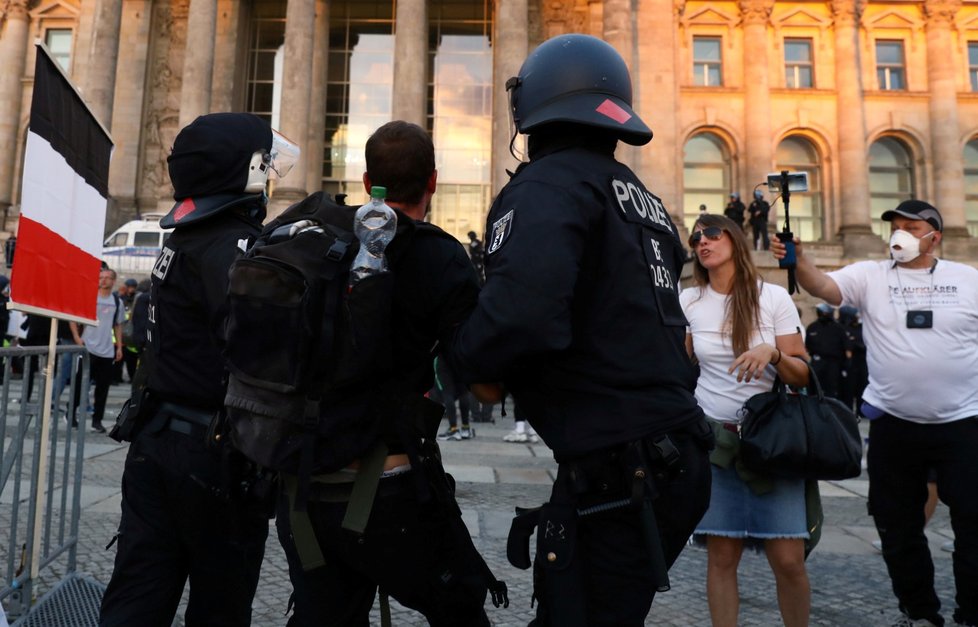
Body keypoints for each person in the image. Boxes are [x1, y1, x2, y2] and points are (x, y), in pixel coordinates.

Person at [449, 34, 713, 626]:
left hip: (622, 466)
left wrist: (456, 355)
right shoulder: (641, 196)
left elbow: (519, 317)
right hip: (669, 451)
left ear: (532, 108)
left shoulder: (545, 187)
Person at [275, 120, 494, 626]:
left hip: (303, 487)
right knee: (461, 610)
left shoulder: (313, 238)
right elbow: (484, 381)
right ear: (433, 182)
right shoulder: (442, 255)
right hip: (390, 490)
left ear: (366, 179)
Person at [98, 113, 295, 626]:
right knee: (220, 606)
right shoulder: (235, 247)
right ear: (248, 174)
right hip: (212, 454)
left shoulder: (183, 238)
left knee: (139, 591)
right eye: (266, 168)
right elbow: (260, 351)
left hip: (157, 439)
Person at [772, 199, 978, 627]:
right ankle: (919, 612)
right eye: (895, 225)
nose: (899, 233)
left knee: (974, 526)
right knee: (897, 527)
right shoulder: (870, 275)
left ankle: (972, 612)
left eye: (910, 226)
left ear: (934, 237)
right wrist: (801, 259)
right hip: (894, 424)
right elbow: (823, 288)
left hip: (963, 424)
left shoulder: (967, 279)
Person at [680, 214, 811, 627]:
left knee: (788, 558)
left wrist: (772, 354)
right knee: (721, 556)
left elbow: (804, 372)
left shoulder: (771, 297)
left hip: (771, 441)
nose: (703, 241)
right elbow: (679, 368)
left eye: (712, 233)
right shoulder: (689, 300)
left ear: (734, 240)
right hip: (715, 440)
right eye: (696, 237)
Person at [66, 268, 125, 433]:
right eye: (101, 277)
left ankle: (97, 420)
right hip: (88, 348)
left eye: (107, 278)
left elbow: (118, 325)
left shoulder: (116, 301)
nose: (104, 280)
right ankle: (71, 414)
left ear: (113, 281)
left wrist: (119, 346)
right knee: (80, 384)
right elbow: (72, 316)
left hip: (107, 351)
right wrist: (77, 338)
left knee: (103, 388)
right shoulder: (89, 297)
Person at [805, 303, 847, 400]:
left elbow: (845, 347)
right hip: (817, 362)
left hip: (834, 364)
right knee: (814, 388)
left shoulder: (838, 328)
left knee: (831, 390)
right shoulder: (813, 327)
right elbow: (808, 345)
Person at [434, 354, 475, 441]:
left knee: (447, 393)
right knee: (463, 392)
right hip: (461, 356)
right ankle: (465, 428)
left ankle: (453, 429)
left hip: (445, 358)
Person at [838, 305, 868, 413]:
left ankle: (861, 410)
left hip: (861, 361)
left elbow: (864, 343)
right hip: (848, 362)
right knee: (848, 388)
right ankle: (847, 410)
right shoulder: (842, 328)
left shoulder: (861, 328)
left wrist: (855, 345)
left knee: (862, 385)